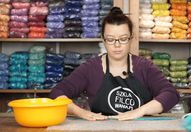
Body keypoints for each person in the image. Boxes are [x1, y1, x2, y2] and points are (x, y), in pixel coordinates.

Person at [50, 7, 179, 121]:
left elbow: (171, 94)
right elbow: (57, 92)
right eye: (111, 40)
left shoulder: (144, 67)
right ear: (103, 40)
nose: (117, 45)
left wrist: (140, 111)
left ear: (131, 38)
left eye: (123, 39)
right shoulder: (90, 68)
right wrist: (80, 112)